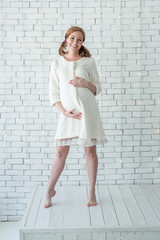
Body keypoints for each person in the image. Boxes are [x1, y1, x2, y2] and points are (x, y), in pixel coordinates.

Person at [44, 26, 107, 208]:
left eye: (79, 40)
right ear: (66, 40)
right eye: (72, 38)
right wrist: (63, 111)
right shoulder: (57, 64)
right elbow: (53, 92)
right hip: (68, 115)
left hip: (88, 113)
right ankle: (49, 190)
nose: (75, 42)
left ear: (82, 43)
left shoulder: (88, 62)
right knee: (60, 152)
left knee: (90, 152)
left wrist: (85, 83)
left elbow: (97, 88)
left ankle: (91, 191)